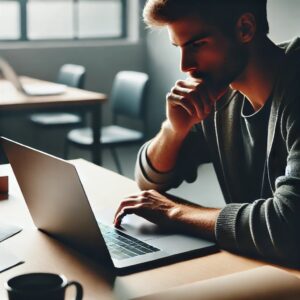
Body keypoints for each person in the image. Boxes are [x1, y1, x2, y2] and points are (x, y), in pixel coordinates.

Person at [114, 0, 300, 264]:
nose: (185, 65)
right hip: (263, 266)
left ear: (245, 28)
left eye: (197, 44)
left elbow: (288, 227)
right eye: (178, 47)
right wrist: (174, 129)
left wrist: (174, 213)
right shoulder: (218, 96)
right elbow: (150, 181)